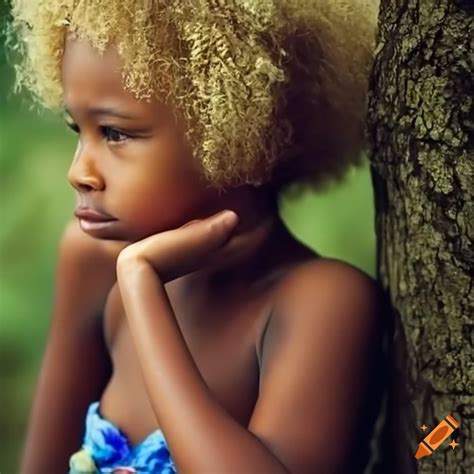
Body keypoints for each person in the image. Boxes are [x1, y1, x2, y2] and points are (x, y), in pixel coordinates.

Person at [10, 1, 389, 472]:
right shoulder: (92, 260)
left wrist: (142, 286)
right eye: (77, 129)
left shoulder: (321, 302)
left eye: (115, 133)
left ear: (235, 126)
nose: (79, 172)